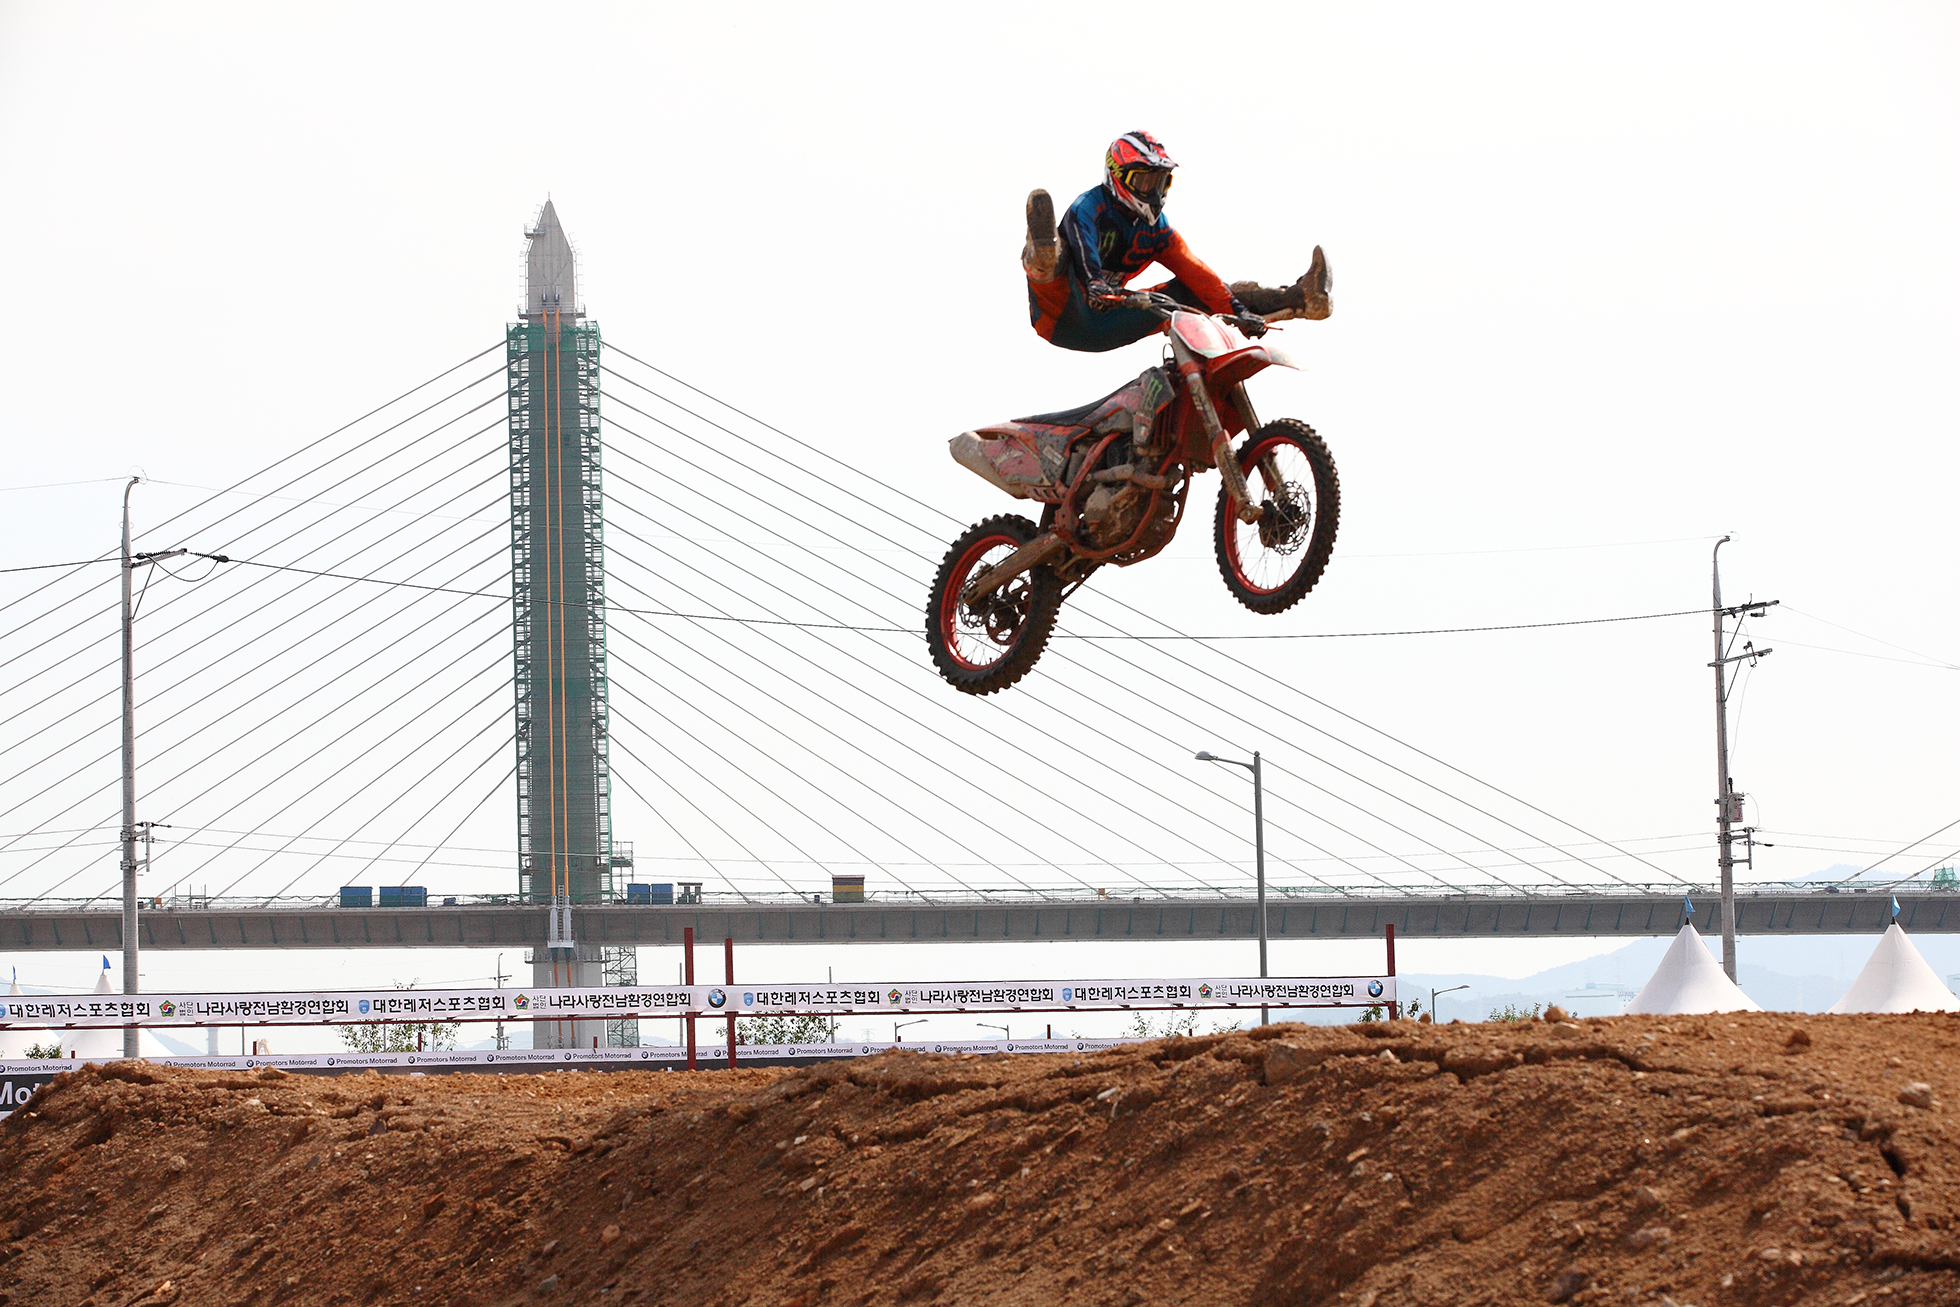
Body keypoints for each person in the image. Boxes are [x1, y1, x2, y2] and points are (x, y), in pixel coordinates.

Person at [1023, 130, 1330, 354]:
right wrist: (1095, 284)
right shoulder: (1089, 208)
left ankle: (1301, 299)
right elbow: (1086, 249)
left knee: (1191, 292)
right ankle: (1041, 250)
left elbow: (1197, 272)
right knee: (1060, 254)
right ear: (1116, 176)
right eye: (1144, 181)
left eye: (1160, 182)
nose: (1153, 192)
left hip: (1107, 320)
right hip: (1061, 314)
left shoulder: (1158, 231)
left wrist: (1239, 311)